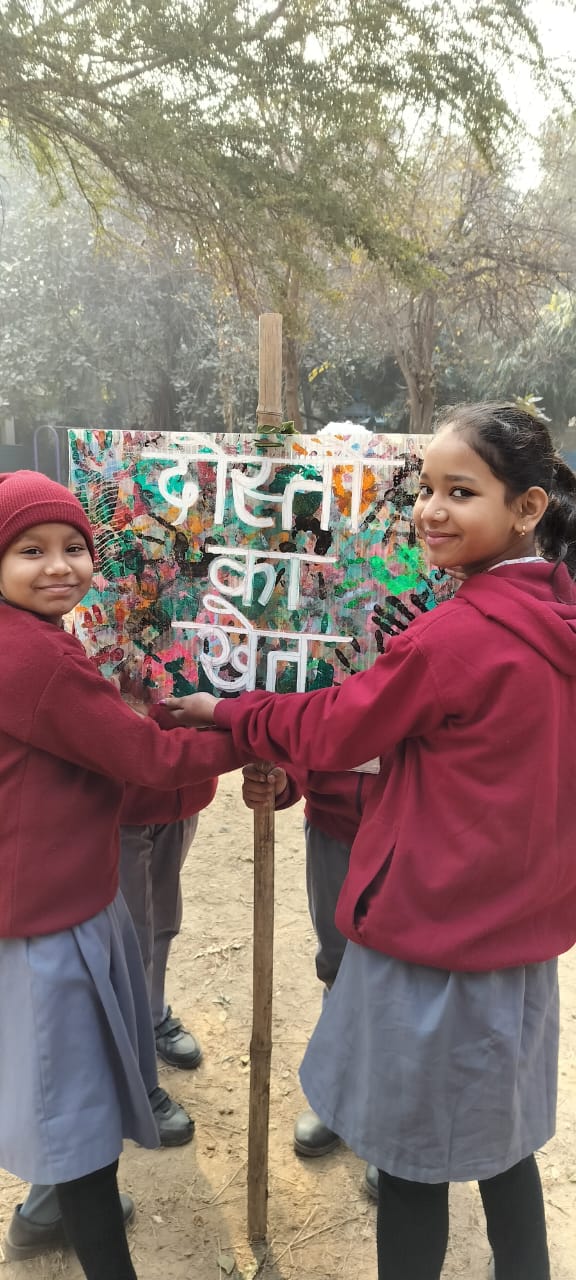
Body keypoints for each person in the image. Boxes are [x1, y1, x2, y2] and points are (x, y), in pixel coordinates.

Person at [164, 402, 576, 1280]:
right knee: (504, 1149)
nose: (431, 510)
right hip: (514, 938)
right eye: (425, 489)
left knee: (411, 1161)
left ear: (528, 507)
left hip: (433, 939)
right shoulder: (554, 619)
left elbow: (338, 725)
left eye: (460, 492)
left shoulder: (454, 637)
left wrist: (230, 711)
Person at [0, 470, 245, 1280]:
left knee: (63, 1091)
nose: (59, 566)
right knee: (76, 1120)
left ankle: (46, 1213)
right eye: (30, 550)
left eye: (74, 547)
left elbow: (103, 742)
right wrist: (249, 730)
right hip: (48, 918)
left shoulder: (33, 638)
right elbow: (144, 758)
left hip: (56, 895)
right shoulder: (35, 656)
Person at [241, 761, 380, 1197]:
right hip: (331, 823)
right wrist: (286, 775)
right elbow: (301, 726)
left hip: (411, 829)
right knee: (336, 966)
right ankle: (336, 1097)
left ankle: (389, 1124)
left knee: (402, 978)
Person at [118, 814, 202, 1148]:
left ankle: (153, 1016)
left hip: (179, 798)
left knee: (163, 915)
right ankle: (131, 1080)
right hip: (122, 804)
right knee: (129, 935)